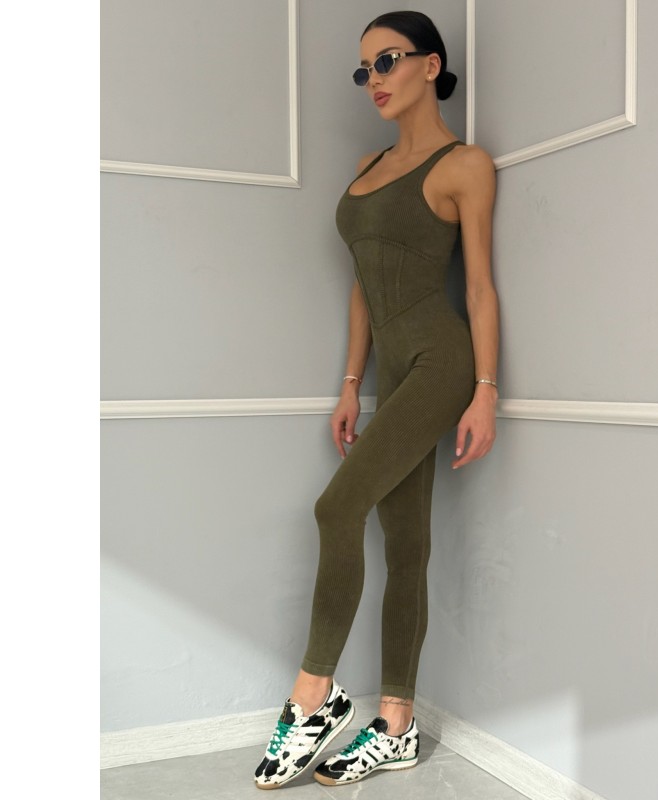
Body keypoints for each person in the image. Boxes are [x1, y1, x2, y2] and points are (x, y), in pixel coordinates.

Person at [254, 10, 499, 789]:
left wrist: (485, 391)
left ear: (431, 65)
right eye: (364, 70)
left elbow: (480, 288)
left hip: (441, 363)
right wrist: (351, 383)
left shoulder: (465, 165)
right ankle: (396, 725)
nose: (374, 80)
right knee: (406, 544)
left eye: (387, 61)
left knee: (336, 509)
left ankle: (313, 697)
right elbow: (363, 284)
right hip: (390, 373)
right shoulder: (368, 165)